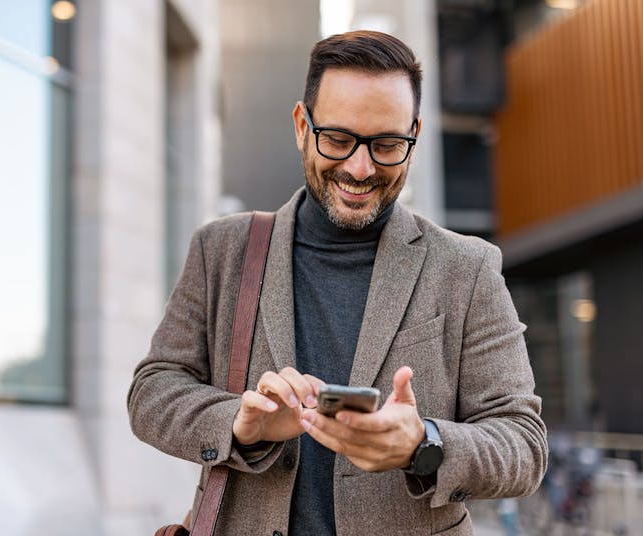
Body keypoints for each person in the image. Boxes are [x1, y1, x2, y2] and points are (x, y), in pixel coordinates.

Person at [128, 30, 547, 535]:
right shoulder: (221, 250)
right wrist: (239, 422)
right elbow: (151, 393)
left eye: (387, 144)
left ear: (414, 134)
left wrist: (425, 444)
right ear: (302, 126)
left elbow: (524, 444)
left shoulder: (467, 267)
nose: (360, 167)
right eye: (339, 139)